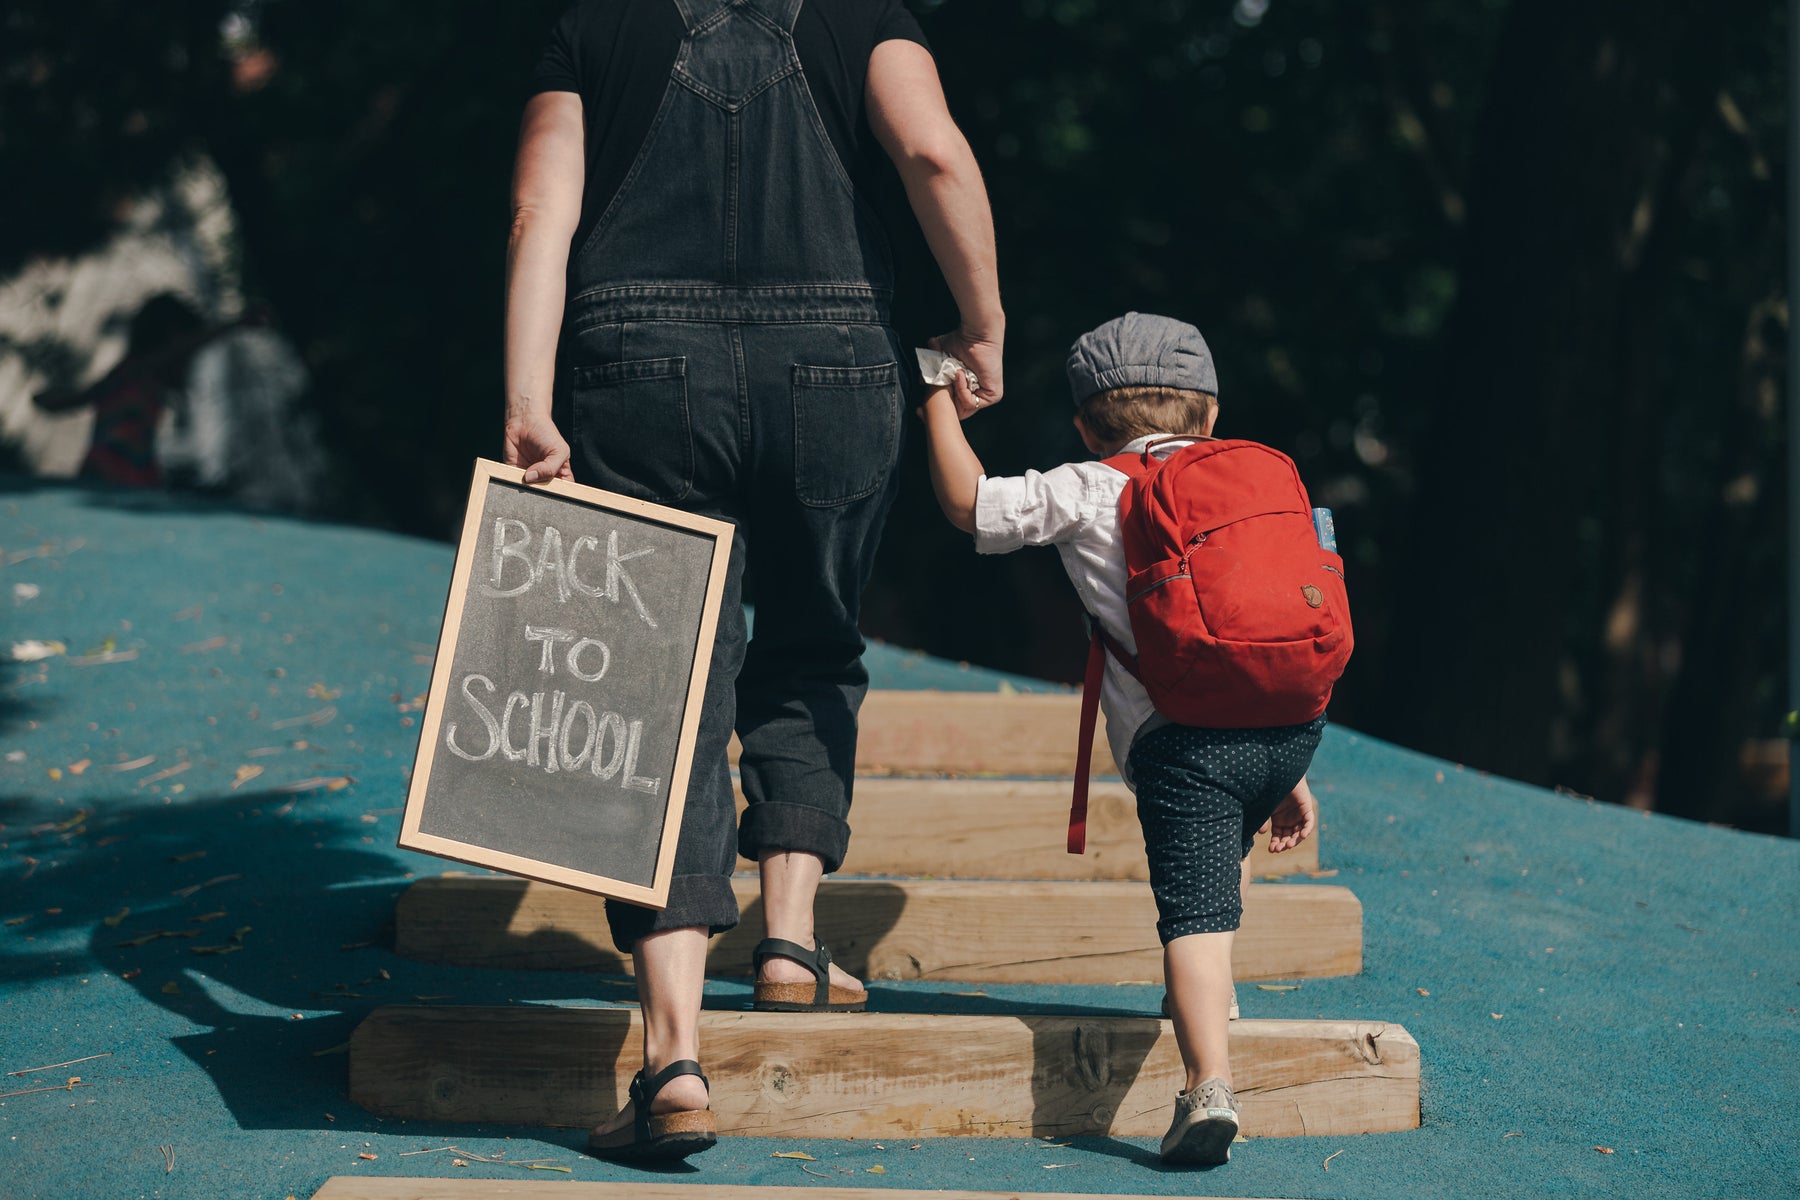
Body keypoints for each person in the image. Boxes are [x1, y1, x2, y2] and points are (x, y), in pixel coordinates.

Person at [501, 0, 1004, 1163]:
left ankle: (672, 1057)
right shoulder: (863, 15)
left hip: (637, 365)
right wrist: (980, 321)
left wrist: (529, 401)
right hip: (839, 364)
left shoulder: (594, 29)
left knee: (656, 686)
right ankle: (789, 944)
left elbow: (541, 209)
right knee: (816, 641)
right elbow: (933, 151)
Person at [917, 313, 1323, 1166]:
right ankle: (1218, 1000)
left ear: (1085, 423)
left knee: (1194, 920)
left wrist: (934, 401)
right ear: (1210, 416)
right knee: (1220, 864)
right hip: (1287, 724)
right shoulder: (1256, 479)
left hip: (1183, 747)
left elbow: (968, 504)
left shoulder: (1090, 484)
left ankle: (1208, 1081)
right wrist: (1287, 766)